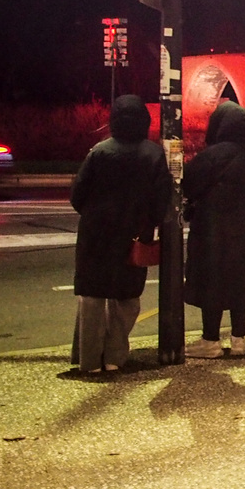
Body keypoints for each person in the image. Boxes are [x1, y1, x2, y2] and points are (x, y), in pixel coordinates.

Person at [69, 96, 173, 374]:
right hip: (134, 235)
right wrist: (148, 225)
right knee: (126, 297)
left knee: (92, 296)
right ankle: (115, 356)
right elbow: (161, 200)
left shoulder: (99, 151)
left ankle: (89, 361)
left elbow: (78, 196)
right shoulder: (153, 154)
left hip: (96, 234)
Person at [183, 101, 245, 358]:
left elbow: (188, 185)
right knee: (241, 284)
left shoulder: (214, 155)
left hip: (213, 233)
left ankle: (210, 341)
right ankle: (239, 339)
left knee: (212, 285)